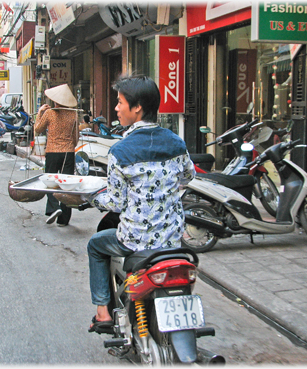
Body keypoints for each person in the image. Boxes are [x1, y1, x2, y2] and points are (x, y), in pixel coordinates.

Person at [83, 75, 196, 332]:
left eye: (120, 102)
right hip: (172, 240)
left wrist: (92, 197)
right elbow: (188, 176)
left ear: (137, 108)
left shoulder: (121, 151)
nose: (116, 108)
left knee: (95, 246)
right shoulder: (177, 142)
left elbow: (115, 201)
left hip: (135, 240)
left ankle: (103, 314)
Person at [34, 84, 79, 227]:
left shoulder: (49, 113)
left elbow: (37, 129)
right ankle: (64, 219)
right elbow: (75, 137)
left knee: (51, 182)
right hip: (68, 153)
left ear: (55, 100)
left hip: (52, 152)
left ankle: (54, 208)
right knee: (66, 185)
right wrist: (70, 145)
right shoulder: (73, 114)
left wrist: (39, 112)